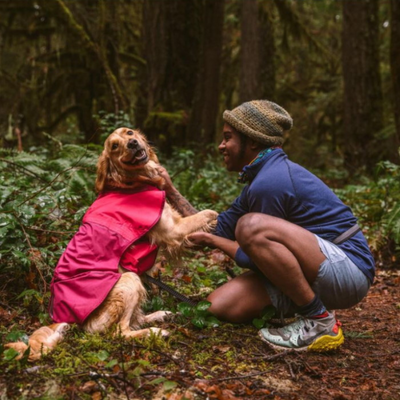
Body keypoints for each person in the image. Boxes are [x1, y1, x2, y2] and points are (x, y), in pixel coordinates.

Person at [159, 100, 375, 352]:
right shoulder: (260, 180)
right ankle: (310, 307)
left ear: (252, 141)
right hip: (317, 271)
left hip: (349, 270)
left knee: (251, 226)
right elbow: (214, 229)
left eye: (227, 137)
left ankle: (318, 321)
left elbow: (253, 255)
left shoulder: (272, 181)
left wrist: (215, 243)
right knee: (217, 305)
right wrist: (169, 191)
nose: (221, 146)